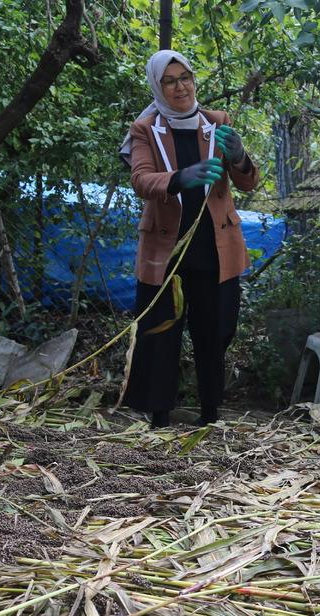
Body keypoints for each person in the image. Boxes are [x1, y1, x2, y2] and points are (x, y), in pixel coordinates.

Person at [121, 49, 259, 427]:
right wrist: (183, 177)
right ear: (157, 85)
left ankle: (211, 413)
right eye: (170, 80)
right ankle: (160, 415)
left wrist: (240, 155)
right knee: (161, 331)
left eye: (185, 77)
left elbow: (248, 182)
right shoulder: (145, 129)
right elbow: (141, 180)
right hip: (167, 249)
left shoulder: (217, 122)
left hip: (216, 249)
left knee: (215, 331)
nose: (180, 86)